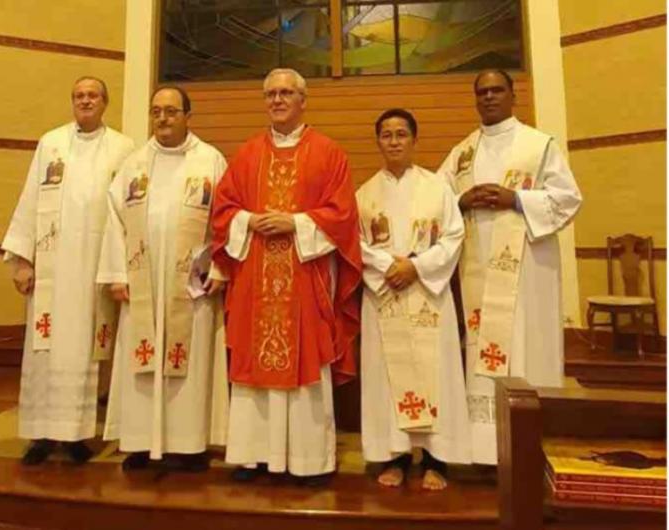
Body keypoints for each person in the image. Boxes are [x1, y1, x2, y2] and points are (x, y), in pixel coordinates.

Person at [211, 68, 362, 485]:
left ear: (302, 100)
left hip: (305, 274)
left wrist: (296, 223)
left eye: (285, 93)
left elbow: (344, 214)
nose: (277, 100)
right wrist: (250, 220)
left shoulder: (329, 153)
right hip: (255, 277)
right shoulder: (246, 155)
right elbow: (222, 211)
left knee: (306, 357)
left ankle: (308, 460)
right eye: (270, 94)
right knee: (252, 359)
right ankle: (253, 454)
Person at [437, 69, 582, 465]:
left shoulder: (539, 146)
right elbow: (432, 202)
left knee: (525, 348)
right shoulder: (462, 152)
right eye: (481, 91)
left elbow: (568, 199)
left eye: (496, 90)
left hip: (528, 277)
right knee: (484, 352)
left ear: (512, 94)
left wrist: (515, 199)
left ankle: (530, 448)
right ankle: (485, 453)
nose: (488, 97)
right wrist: (462, 200)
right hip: (479, 277)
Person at [1, 77, 134, 465]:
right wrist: (23, 261)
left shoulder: (123, 148)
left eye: (92, 95)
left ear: (105, 102)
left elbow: (127, 211)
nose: (85, 100)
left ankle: (76, 436)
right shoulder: (51, 143)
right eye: (78, 95)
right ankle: (40, 435)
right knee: (44, 352)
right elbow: (29, 202)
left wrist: (120, 269)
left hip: (93, 270)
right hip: (52, 274)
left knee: (84, 353)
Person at [96, 85, 229, 470]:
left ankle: (189, 446)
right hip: (142, 284)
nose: (163, 118)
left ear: (188, 115)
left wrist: (220, 268)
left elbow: (224, 220)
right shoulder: (134, 164)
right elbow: (114, 221)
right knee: (142, 361)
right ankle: (139, 442)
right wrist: (118, 274)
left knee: (190, 362)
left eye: (171, 111)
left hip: (191, 285)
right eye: (156, 111)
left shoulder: (210, 161)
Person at [358, 108, 469, 490]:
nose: (393, 141)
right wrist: (391, 267)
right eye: (386, 134)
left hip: (427, 293)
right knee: (387, 375)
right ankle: (397, 456)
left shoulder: (439, 188)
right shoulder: (364, 194)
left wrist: (417, 267)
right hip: (385, 293)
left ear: (414, 140)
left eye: (401, 134)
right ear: (378, 141)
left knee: (435, 373)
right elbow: (354, 244)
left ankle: (438, 459)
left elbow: (454, 237)